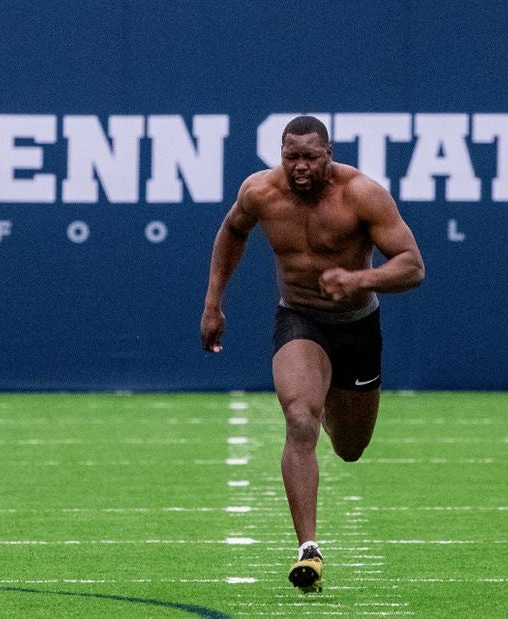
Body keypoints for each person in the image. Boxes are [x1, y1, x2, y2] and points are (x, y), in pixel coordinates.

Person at [200, 115, 424, 593]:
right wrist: (213, 302)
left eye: (309, 157)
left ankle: (329, 403)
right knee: (300, 417)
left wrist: (360, 278)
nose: (299, 167)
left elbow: (412, 266)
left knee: (349, 447)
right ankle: (308, 550)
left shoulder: (361, 193)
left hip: (357, 326)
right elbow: (231, 233)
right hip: (299, 317)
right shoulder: (260, 191)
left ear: (328, 153)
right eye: (290, 156)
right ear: (280, 154)